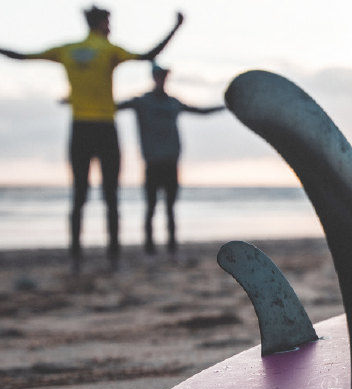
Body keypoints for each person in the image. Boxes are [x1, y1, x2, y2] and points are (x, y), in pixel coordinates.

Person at [0, 6, 184, 270]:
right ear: (100, 23)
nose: (111, 28)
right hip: (105, 128)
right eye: (109, 22)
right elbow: (149, 55)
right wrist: (175, 28)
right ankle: (113, 259)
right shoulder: (109, 50)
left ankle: (76, 259)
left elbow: (20, 56)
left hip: (80, 129)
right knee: (111, 196)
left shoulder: (67, 50)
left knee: (79, 195)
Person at [117, 63, 224, 256]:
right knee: (150, 208)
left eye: (165, 75)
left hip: (171, 161)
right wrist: (77, 101)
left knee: (170, 208)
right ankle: (150, 251)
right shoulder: (142, 102)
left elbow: (200, 111)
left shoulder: (173, 103)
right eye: (159, 75)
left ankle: (172, 249)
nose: (162, 79)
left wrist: (225, 107)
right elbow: (112, 106)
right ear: (154, 77)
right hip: (152, 162)